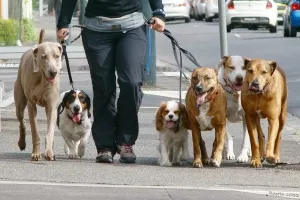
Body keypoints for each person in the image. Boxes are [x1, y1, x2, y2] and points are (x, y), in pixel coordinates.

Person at [56, 0, 165, 164]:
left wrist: (158, 12)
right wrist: (64, 22)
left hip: (132, 27)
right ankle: (104, 146)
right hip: (96, 29)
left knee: (131, 82)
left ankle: (125, 142)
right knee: (103, 87)